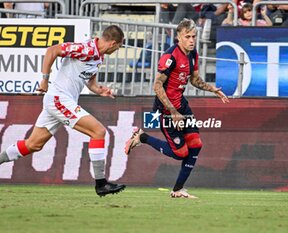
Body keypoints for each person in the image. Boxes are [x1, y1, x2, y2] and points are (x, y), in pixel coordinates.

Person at [0, 25, 126, 197]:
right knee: (98, 131)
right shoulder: (85, 49)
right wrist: (44, 80)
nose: (117, 50)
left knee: (33, 144)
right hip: (59, 98)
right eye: (118, 47)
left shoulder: (98, 57)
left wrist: (100, 90)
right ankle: (101, 184)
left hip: (60, 101)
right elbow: (53, 50)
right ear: (113, 43)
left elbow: (90, 83)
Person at [124, 18, 229, 199]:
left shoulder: (193, 54)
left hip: (182, 105)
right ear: (178, 37)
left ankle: (178, 189)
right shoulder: (170, 57)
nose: (191, 40)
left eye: (194, 36)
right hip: (166, 109)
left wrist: (212, 89)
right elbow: (157, 86)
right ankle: (142, 137)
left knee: (196, 144)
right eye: (187, 36)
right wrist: (173, 112)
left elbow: (194, 80)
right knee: (180, 153)